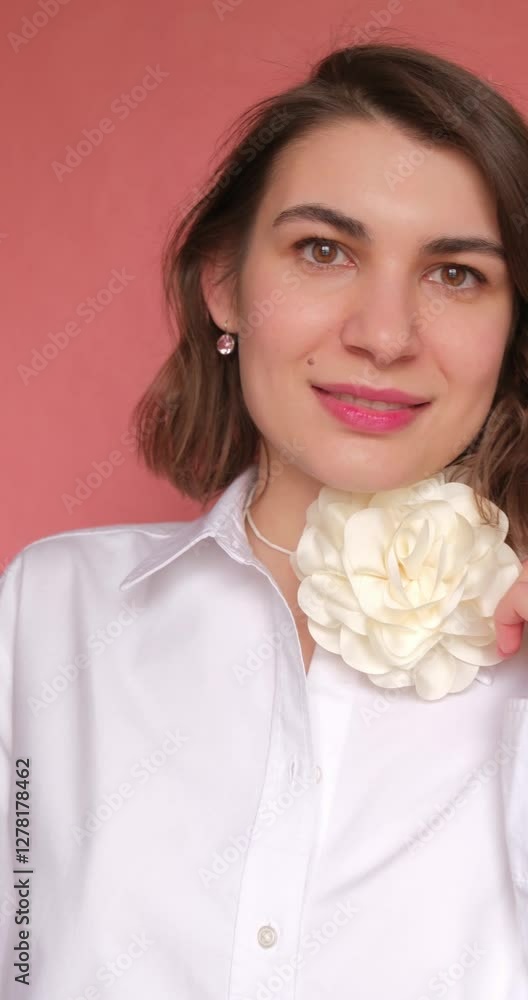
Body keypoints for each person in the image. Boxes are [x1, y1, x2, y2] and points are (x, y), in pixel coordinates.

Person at [2, 39, 528, 999]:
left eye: (454, 273)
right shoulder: (48, 610)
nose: (382, 334)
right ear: (224, 285)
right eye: (323, 251)